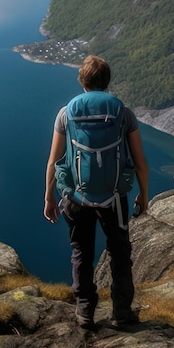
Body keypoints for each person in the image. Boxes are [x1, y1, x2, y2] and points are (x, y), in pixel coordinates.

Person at [44, 55, 149, 330]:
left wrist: (49, 197)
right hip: (114, 198)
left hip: (77, 198)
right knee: (120, 253)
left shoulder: (66, 113)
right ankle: (121, 313)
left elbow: (54, 161)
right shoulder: (123, 113)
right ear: (107, 81)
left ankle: (85, 312)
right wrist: (143, 195)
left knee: (81, 251)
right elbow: (140, 162)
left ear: (82, 81)